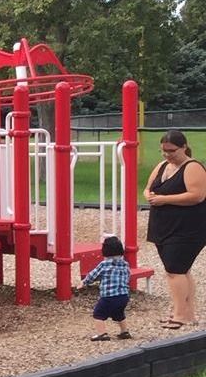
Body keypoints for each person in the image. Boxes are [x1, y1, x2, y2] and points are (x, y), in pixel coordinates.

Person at [144, 130, 206, 329]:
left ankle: (180, 315)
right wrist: (149, 195)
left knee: (174, 270)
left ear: (184, 147)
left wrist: (164, 199)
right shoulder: (162, 166)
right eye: (164, 151)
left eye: (171, 151)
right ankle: (188, 313)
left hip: (187, 228)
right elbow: (148, 187)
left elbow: (196, 196)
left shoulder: (192, 167)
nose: (167, 155)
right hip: (163, 226)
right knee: (181, 269)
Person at [80, 236, 132, 341]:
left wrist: (84, 282)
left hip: (109, 296)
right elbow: (128, 276)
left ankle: (102, 334)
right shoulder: (125, 264)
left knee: (98, 314)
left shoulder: (104, 264)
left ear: (105, 250)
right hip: (124, 296)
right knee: (119, 314)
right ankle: (124, 332)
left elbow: (93, 275)